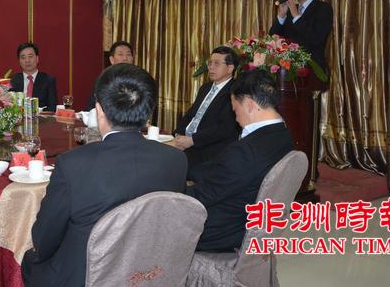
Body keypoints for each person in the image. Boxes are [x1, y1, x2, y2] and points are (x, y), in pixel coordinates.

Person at [22, 63, 187, 287]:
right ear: (150, 111)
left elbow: (44, 239)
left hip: (85, 277)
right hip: (150, 272)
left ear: (99, 110)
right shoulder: (176, 160)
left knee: (30, 261)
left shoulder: (73, 165)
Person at [186, 69, 294, 252]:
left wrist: (166, 187)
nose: (235, 117)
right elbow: (226, 173)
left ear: (249, 104)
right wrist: (187, 169)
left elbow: (201, 196)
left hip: (221, 231)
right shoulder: (284, 136)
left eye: (235, 109)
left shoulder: (245, 151)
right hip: (249, 217)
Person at [173, 46, 240, 176]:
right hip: (187, 142)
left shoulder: (235, 91)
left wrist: (192, 140)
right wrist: (178, 134)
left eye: (217, 63)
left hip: (208, 149)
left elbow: (225, 128)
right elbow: (191, 114)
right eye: (210, 63)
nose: (211, 67)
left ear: (230, 68)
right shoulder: (205, 87)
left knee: (170, 166)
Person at [269, 0, 333, 71]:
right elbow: (273, 37)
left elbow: (316, 39)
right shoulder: (290, 10)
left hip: (312, 67)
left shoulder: (323, 8)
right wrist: (281, 16)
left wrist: (296, 16)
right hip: (288, 66)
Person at [84, 40, 135, 111]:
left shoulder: (138, 80)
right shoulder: (103, 80)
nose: (125, 58)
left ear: (132, 58)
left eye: (128, 54)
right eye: (120, 54)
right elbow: (92, 107)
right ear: (112, 60)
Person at [10, 42, 58, 110]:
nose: (27, 60)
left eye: (30, 56)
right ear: (19, 61)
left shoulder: (48, 80)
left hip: (40, 116)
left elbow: (53, 108)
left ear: (37, 59)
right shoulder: (12, 80)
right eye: (23, 57)